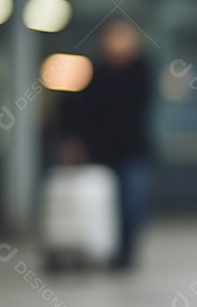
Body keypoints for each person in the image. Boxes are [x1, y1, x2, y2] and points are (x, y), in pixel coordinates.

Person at [60, 19, 154, 270]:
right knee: (106, 206)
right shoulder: (97, 72)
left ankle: (126, 252)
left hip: (132, 150)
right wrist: (79, 141)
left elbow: (134, 110)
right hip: (102, 152)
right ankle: (106, 249)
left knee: (131, 204)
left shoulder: (140, 70)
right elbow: (82, 111)